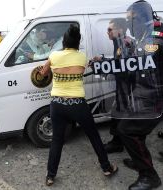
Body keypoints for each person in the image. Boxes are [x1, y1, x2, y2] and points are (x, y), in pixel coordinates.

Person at [38, 24, 118, 186]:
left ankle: (50, 176)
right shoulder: (82, 56)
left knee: (57, 140)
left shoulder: (54, 55)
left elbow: (43, 74)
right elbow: (82, 68)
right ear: (77, 41)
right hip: (77, 104)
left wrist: (43, 69)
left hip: (57, 104)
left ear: (64, 41)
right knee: (93, 136)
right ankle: (106, 167)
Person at [115, 1, 163, 189]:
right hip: (143, 92)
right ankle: (141, 161)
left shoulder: (157, 37)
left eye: (131, 20)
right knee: (133, 130)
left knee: (128, 130)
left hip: (155, 95)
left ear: (142, 18)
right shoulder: (143, 35)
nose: (129, 26)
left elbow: (149, 60)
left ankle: (150, 176)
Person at [94, 18, 135, 153]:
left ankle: (125, 146)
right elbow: (119, 62)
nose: (108, 32)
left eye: (110, 29)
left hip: (127, 89)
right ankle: (118, 143)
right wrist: (103, 60)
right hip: (123, 87)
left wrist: (102, 65)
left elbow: (123, 67)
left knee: (122, 116)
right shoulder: (121, 42)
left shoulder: (125, 43)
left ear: (120, 30)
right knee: (117, 113)